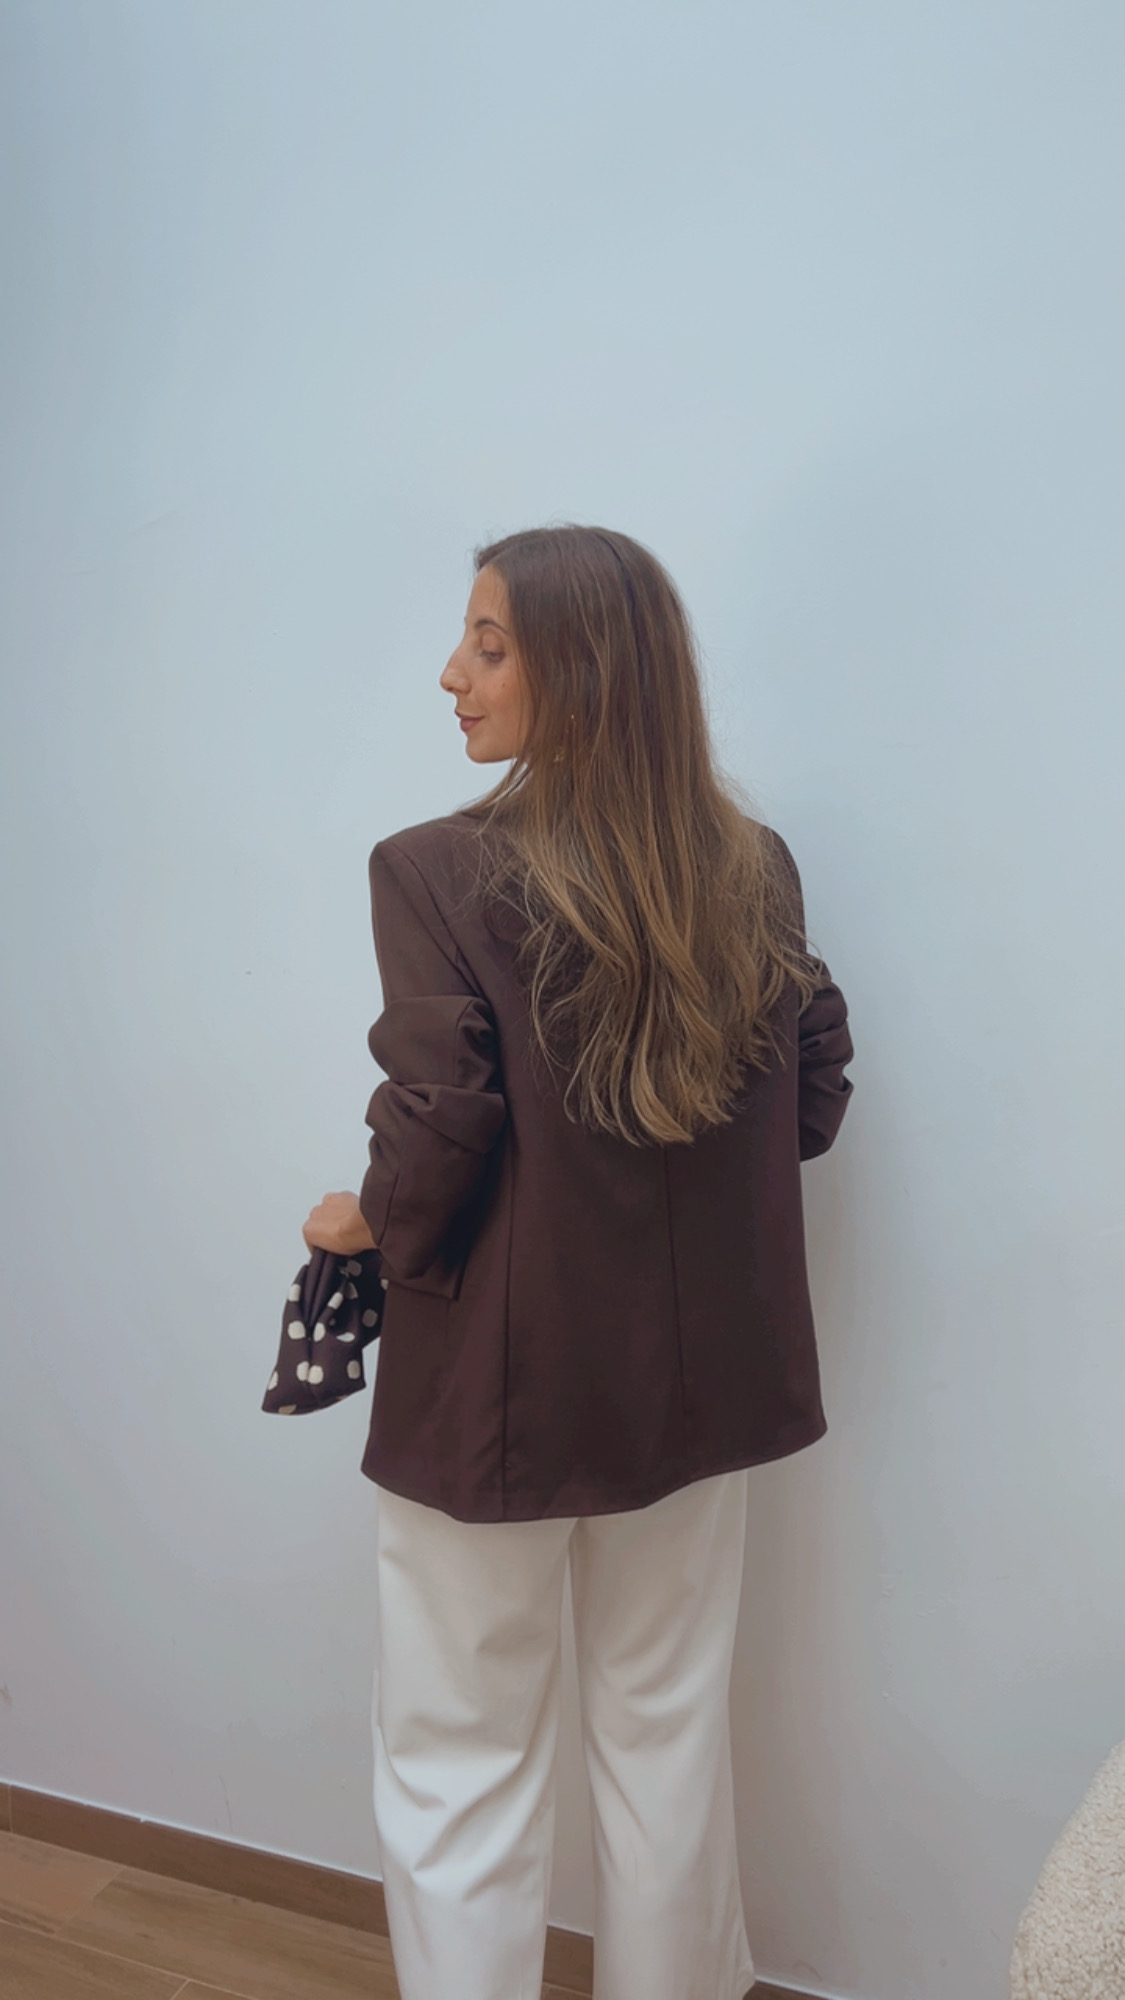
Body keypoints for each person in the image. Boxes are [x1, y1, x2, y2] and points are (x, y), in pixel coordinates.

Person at [301, 525, 854, 2000]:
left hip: (502, 1391)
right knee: (666, 1737)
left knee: (459, 1758)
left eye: (489, 645)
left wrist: (359, 1219)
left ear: (586, 670)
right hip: (703, 1388)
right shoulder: (751, 868)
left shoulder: (434, 870)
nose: (452, 674)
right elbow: (808, 1105)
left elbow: (440, 1128)